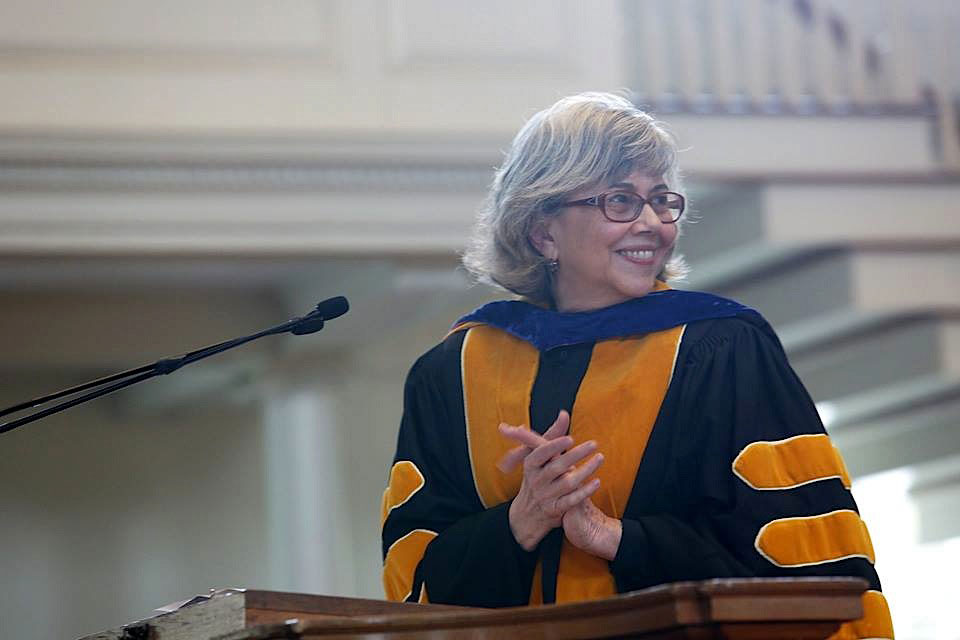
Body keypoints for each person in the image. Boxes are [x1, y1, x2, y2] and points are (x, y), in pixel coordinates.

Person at [380, 92, 893, 638]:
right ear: (543, 232)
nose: (652, 222)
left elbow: (808, 573)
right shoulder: (453, 373)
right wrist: (521, 520)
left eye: (661, 200)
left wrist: (615, 537)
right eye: (620, 201)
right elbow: (413, 584)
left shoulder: (721, 351)